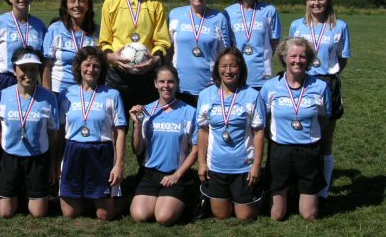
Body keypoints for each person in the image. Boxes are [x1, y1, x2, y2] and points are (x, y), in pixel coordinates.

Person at [289, 0, 351, 201]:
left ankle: (323, 191)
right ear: (306, 1)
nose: (317, 3)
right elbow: (290, 56)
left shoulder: (340, 26)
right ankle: (299, 184)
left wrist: (326, 77)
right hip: (301, 83)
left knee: (325, 139)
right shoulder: (297, 25)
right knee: (301, 136)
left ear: (328, 0)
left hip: (327, 84)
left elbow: (342, 60)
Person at [260, 38, 331, 221]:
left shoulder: (321, 87)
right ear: (284, 57)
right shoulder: (270, 87)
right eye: (293, 56)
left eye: (302, 56)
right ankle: (285, 191)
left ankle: (300, 192)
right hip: (280, 150)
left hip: (309, 150)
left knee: (309, 215)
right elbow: (264, 119)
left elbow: (323, 119)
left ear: (308, 60)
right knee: (277, 215)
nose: (297, 60)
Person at [0, 47, 59, 218]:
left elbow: (53, 137)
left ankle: (28, 191)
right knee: (5, 213)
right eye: (23, 69)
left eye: (33, 69)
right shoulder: (3, 96)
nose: (28, 74)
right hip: (10, 159)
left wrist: (52, 166)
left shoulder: (49, 98)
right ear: (14, 70)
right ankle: (17, 191)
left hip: (37, 160)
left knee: (38, 213)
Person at [58, 46, 127, 221]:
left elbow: (120, 132)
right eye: (87, 65)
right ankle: (90, 197)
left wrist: (118, 164)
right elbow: (59, 131)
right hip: (73, 151)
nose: (91, 70)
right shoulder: (67, 94)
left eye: (96, 66)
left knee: (104, 215)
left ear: (102, 69)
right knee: (69, 213)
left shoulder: (112, 94)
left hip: (100, 151)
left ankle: (118, 200)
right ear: (78, 67)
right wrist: (57, 162)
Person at [196, 47, 265, 220]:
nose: (228, 71)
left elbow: (258, 132)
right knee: (221, 215)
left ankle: (261, 196)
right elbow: (203, 131)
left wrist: (256, 165)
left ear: (240, 69)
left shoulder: (252, 96)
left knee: (245, 217)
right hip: (216, 165)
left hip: (243, 165)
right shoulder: (206, 95)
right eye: (224, 66)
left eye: (233, 66)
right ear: (217, 68)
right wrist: (202, 163)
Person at [99, 0, 171, 112]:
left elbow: (163, 40)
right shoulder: (110, 2)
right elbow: (104, 41)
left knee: (146, 124)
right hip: (118, 75)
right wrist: (111, 57)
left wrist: (155, 59)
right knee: (118, 126)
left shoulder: (155, 3)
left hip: (147, 74)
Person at [129, 65, 197, 226]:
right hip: (150, 173)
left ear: (177, 83)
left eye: (170, 82)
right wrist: (137, 125)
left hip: (176, 174)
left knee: (163, 218)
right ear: (155, 84)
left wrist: (177, 175)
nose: (166, 86)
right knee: (140, 216)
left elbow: (196, 150)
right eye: (162, 82)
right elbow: (137, 150)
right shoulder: (146, 111)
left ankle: (190, 196)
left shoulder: (190, 112)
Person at [169, 0, 230, 107]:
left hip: (209, 87)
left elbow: (225, 54)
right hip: (179, 86)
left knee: (206, 127)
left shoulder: (219, 18)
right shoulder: (175, 15)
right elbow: (169, 48)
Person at [223, 0, 281, 89]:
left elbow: (274, 43)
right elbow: (226, 46)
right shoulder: (227, 13)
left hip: (263, 78)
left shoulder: (269, 11)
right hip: (236, 76)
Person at [43, 0, 97, 95]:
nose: (77, 5)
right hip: (59, 91)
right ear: (66, 5)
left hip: (89, 91)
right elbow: (46, 66)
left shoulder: (97, 31)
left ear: (88, 6)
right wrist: (48, 96)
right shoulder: (55, 29)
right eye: (72, 1)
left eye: (81, 1)